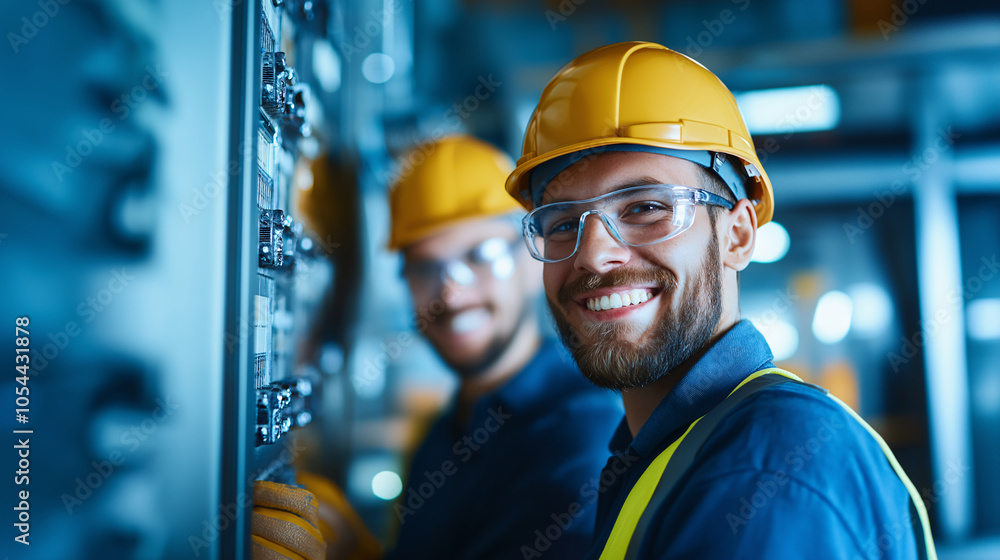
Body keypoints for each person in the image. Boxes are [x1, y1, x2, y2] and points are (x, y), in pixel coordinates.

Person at [503, 41, 937, 560]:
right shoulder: (680, 450)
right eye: (562, 223)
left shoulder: (765, 469)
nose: (594, 256)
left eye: (644, 207)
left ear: (736, 235)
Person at [252, 134, 621, 560]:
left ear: (529, 257)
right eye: (426, 266)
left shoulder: (581, 436)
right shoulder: (443, 431)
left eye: (480, 254)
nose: (452, 292)